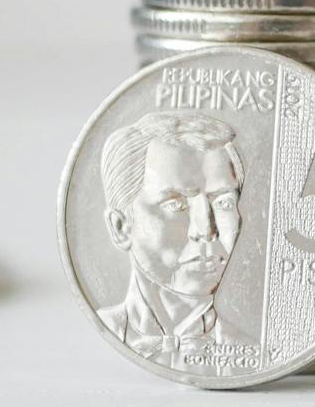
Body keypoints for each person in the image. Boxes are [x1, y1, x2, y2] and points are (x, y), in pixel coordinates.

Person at [93, 111, 254, 369]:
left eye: (223, 202)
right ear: (121, 227)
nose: (206, 229)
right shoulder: (98, 336)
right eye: (176, 204)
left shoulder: (253, 351)